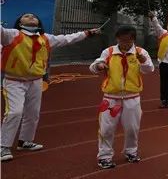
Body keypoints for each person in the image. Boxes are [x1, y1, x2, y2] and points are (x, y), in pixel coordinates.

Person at [1, 13, 98, 161]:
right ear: (19, 22)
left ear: (38, 22)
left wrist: (87, 33)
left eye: (34, 16)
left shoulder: (45, 38)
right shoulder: (11, 35)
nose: (31, 16)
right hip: (14, 81)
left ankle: (25, 141)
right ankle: (3, 146)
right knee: (15, 112)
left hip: (36, 81)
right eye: (26, 16)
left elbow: (67, 39)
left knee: (33, 113)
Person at [90, 25, 155, 169]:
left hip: (132, 97)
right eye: (121, 40)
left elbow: (149, 69)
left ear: (133, 40)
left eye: (128, 41)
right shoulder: (109, 52)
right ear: (117, 39)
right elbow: (94, 66)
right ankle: (104, 156)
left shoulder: (140, 52)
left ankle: (131, 151)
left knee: (132, 128)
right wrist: (99, 66)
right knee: (106, 129)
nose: (124, 44)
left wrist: (143, 60)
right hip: (110, 97)